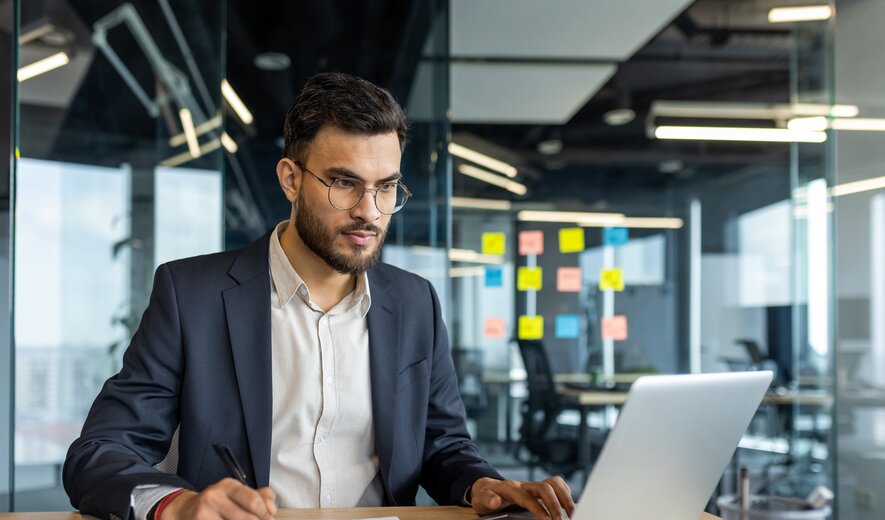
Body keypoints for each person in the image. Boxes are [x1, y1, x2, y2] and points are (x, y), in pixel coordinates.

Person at [63, 72, 575, 520]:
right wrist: (179, 506)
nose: (370, 211)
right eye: (344, 184)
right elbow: (100, 452)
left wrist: (482, 484)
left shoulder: (416, 302)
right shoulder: (191, 295)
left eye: (386, 187)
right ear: (291, 178)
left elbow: (443, 444)